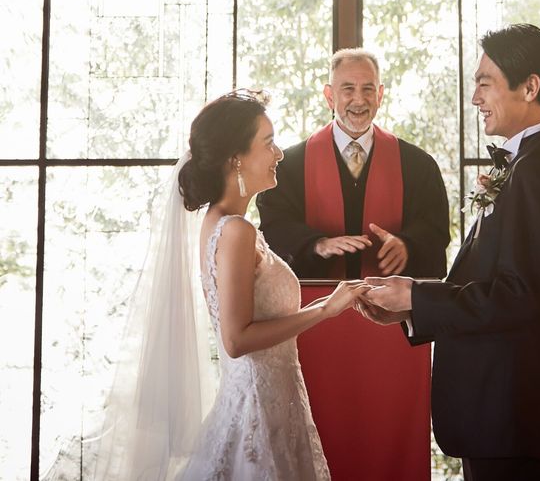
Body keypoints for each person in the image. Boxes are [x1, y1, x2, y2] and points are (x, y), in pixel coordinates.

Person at [93, 90, 369, 481]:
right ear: (236, 158)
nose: (279, 154)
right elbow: (236, 339)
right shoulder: (235, 231)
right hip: (256, 415)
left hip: (273, 405)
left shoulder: (225, 224)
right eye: (269, 143)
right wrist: (324, 309)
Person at [358, 24, 540, 481]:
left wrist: (415, 297)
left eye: (485, 83)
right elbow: (497, 284)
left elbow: (520, 296)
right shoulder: (525, 164)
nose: (475, 98)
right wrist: (410, 306)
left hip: (509, 410)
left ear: (530, 87)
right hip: (497, 415)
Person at [257, 48, 449, 280]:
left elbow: (434, 229)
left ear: (379, 95)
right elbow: (275, 228)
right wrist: (316, 245)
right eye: (348, 89)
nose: (359, 100)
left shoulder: (418, 166)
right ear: (330, 96)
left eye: (368, 89)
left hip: (390, 299)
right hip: (315, 301)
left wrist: (408, 246)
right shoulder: (289, 167)